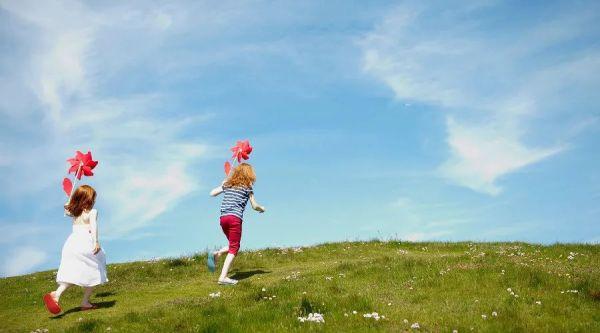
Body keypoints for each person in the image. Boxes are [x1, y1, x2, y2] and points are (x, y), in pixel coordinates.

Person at [43, 185, 108, 314]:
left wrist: (68, 204)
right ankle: (85, 302)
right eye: (92, 198)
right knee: (95, 271)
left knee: (73, 273)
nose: (94, 201)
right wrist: (96, 242)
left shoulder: (74, 213)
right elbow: (93, 227)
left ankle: (56, 294)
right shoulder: (92, 212)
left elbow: (67, 210)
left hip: (72, 245)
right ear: (87, 199)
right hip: (85, 244)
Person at [207, 163, 265, 285]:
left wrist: (222, 185)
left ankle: (217, 253)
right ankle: (223, 278)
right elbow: (254, 206)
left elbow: (212, 193)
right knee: (234, 248)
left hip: (223, 219)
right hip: (235, 219)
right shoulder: (247, 186)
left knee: (233, 244)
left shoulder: (229, 184)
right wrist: (262, 209)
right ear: (249, 174)